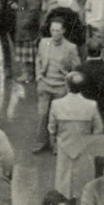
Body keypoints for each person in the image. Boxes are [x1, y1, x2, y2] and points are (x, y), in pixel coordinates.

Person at [48, 71, 104, 203]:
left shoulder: (57, 104)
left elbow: (51, 128)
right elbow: (99, 128)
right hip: (84, 145)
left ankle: (64, 201)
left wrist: (55, 141)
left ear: (67, 85)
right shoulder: (91, 105)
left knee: (64, 176)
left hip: (64, 145)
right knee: (83, 176)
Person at [32, 18, 81, 154]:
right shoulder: (43, 43)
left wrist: (66, 74)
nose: (54, 33)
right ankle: (41, 142)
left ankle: (56, 145)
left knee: (59, 117)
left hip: (60, 86)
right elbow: (38, 60)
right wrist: (38, 76)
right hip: (45, 84)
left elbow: (76, 69)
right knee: (42, 115)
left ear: (63, 31)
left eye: (57, 31)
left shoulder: (71, 47)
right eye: (52, 30)